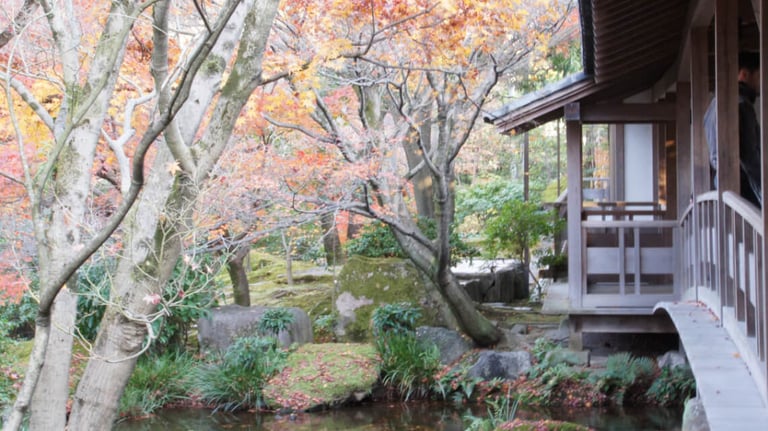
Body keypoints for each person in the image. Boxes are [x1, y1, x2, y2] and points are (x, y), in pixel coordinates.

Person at [704, 51, 762, 207]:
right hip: (743, 194)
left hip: (722, 189)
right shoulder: (742, 105)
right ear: (744, 74)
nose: (761, 81)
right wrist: (763, 194)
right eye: (758, 76)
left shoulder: (711, 108)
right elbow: (750, 158)